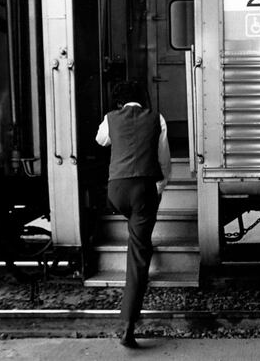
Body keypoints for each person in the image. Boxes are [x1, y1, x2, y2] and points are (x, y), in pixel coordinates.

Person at [96, 81, 171, 348]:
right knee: (139, 251)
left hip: (116, 192)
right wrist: (161, 185)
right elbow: (164, 159)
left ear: (119, 101)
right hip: (143, 191)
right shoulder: (156, 117)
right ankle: (128, 325)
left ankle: (138, 233)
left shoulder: (110, 118)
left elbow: (101, 140)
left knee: (136, 225)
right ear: (143, 99)